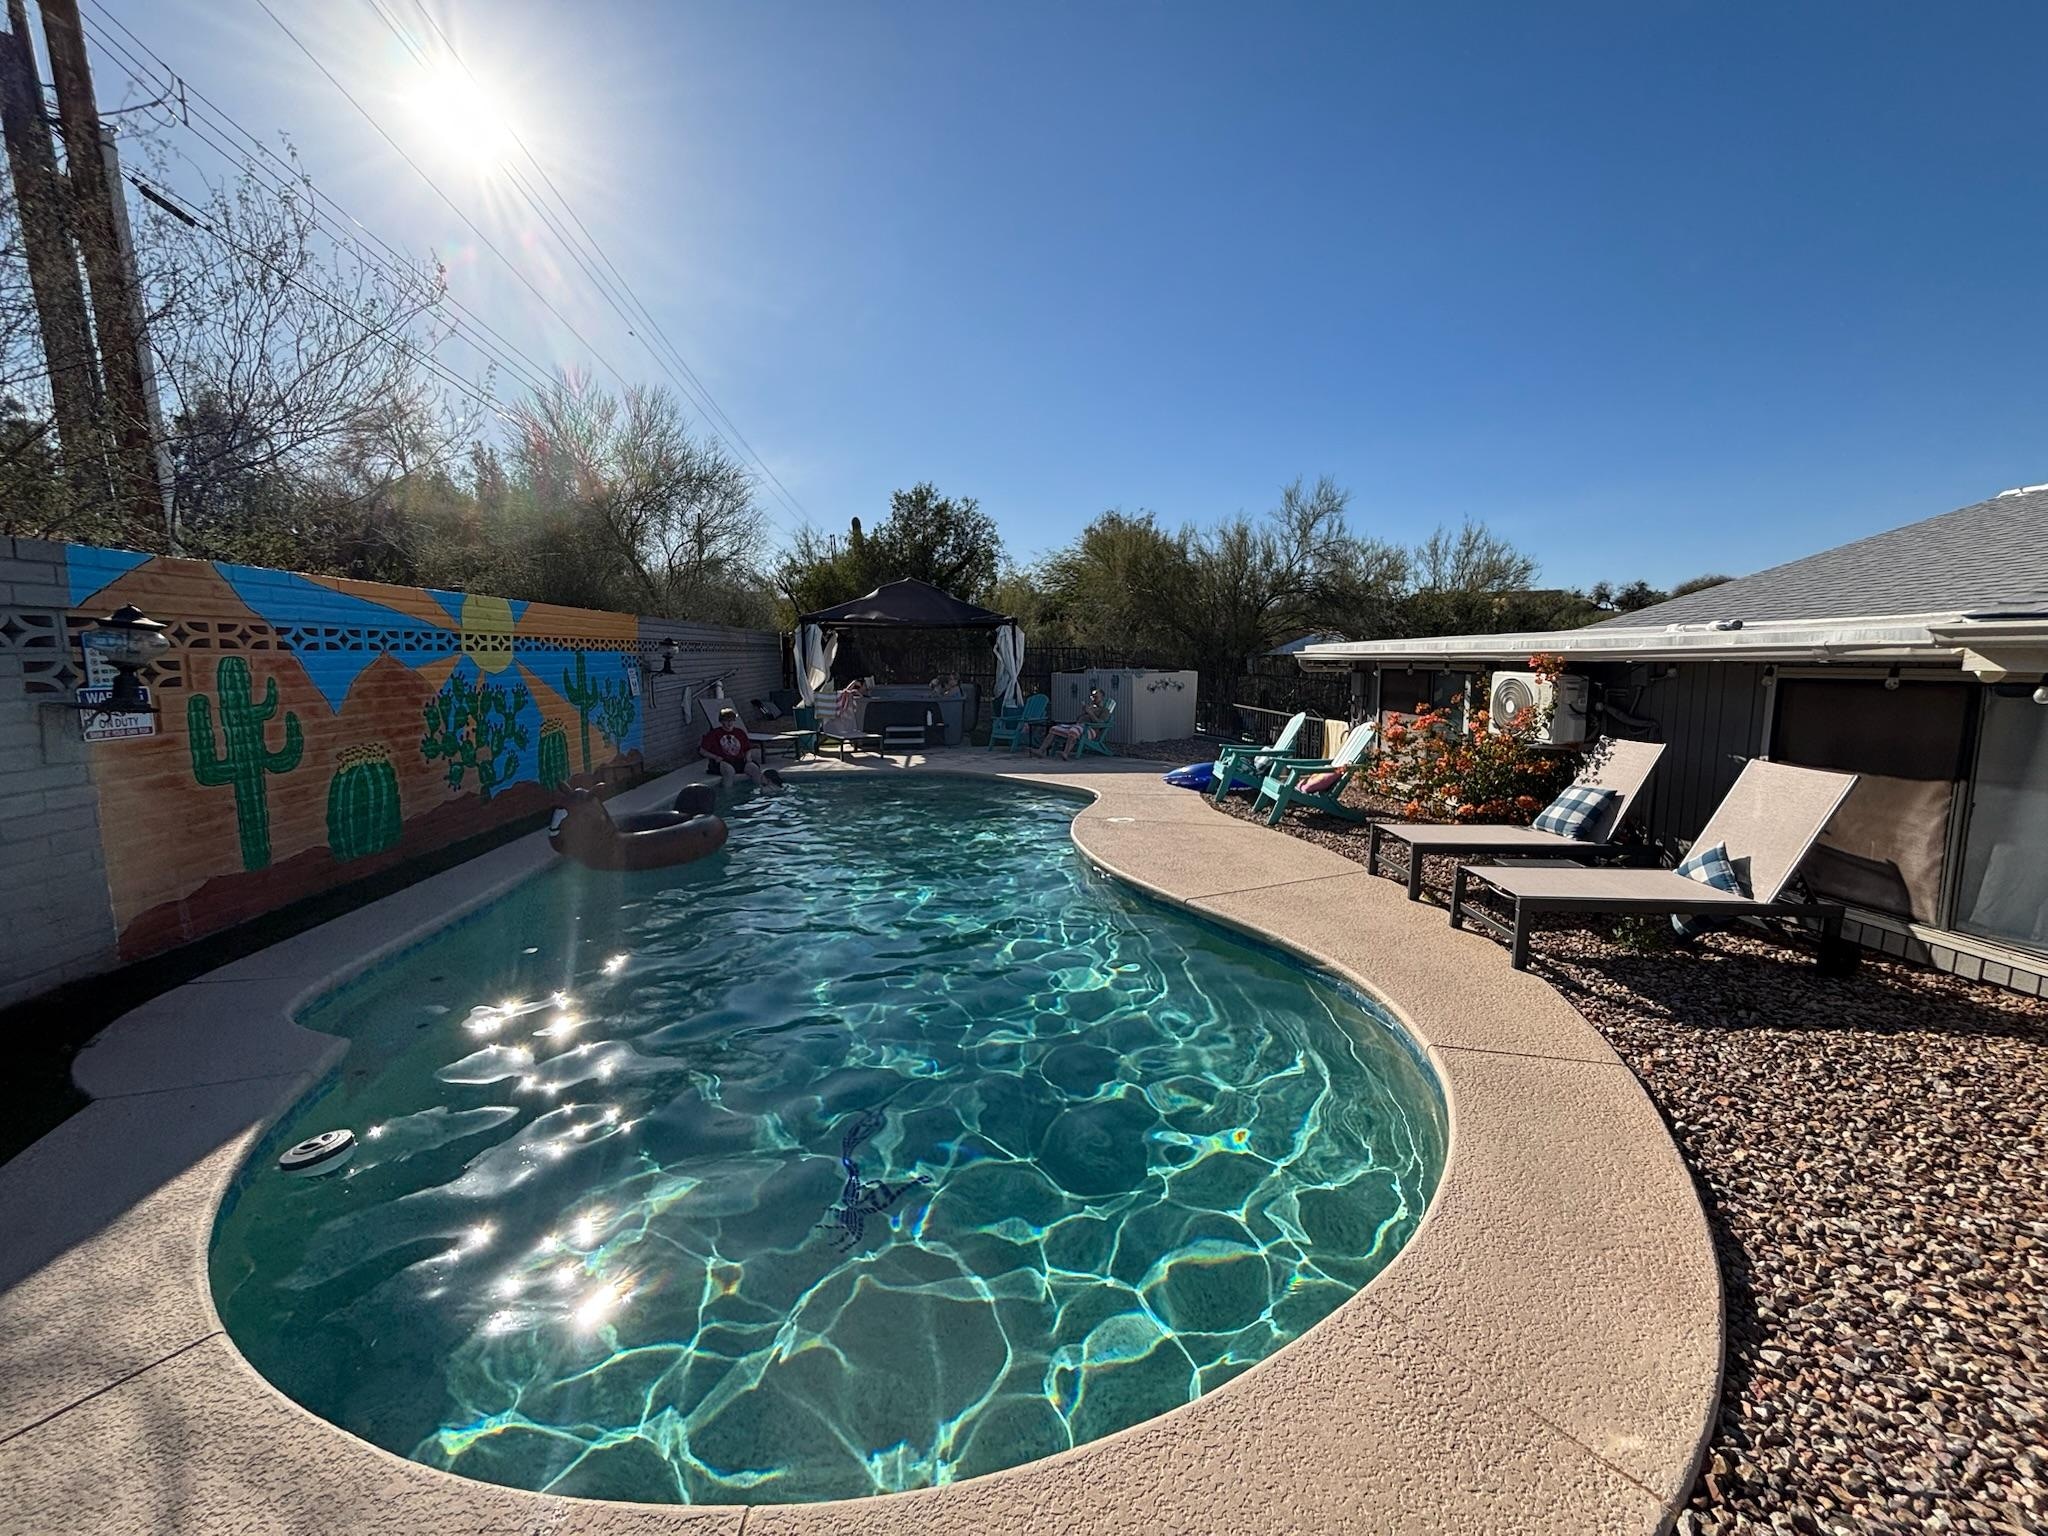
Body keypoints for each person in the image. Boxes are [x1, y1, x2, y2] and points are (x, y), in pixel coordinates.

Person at [701, 705, 785, 791]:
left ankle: (761, 790)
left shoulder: (739, 732)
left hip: (739, 761)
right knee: (729, 771)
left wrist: (748, 757)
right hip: (722, 761)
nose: (729, 723)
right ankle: (728, 792)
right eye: (726, 721)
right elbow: (702, 751)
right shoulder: (714, 734)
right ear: (721, 721)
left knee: (754, 768)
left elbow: (747, 748)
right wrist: (715, 757)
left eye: (731, 720)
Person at [1037, 688, 1109, 760]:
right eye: (1092, 696)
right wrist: (1085, 712)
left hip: (1090, 729)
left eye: (1095, 696)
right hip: (1078, 726)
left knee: (1074, 731)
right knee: (1054, 729)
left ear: (1102, 697)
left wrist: (1090, 713)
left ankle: (1065, 753)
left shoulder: (1104, 710)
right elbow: (1079, 719)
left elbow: (1100, 723)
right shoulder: (1091, 707)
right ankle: (1040, 751)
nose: (1093, 698)